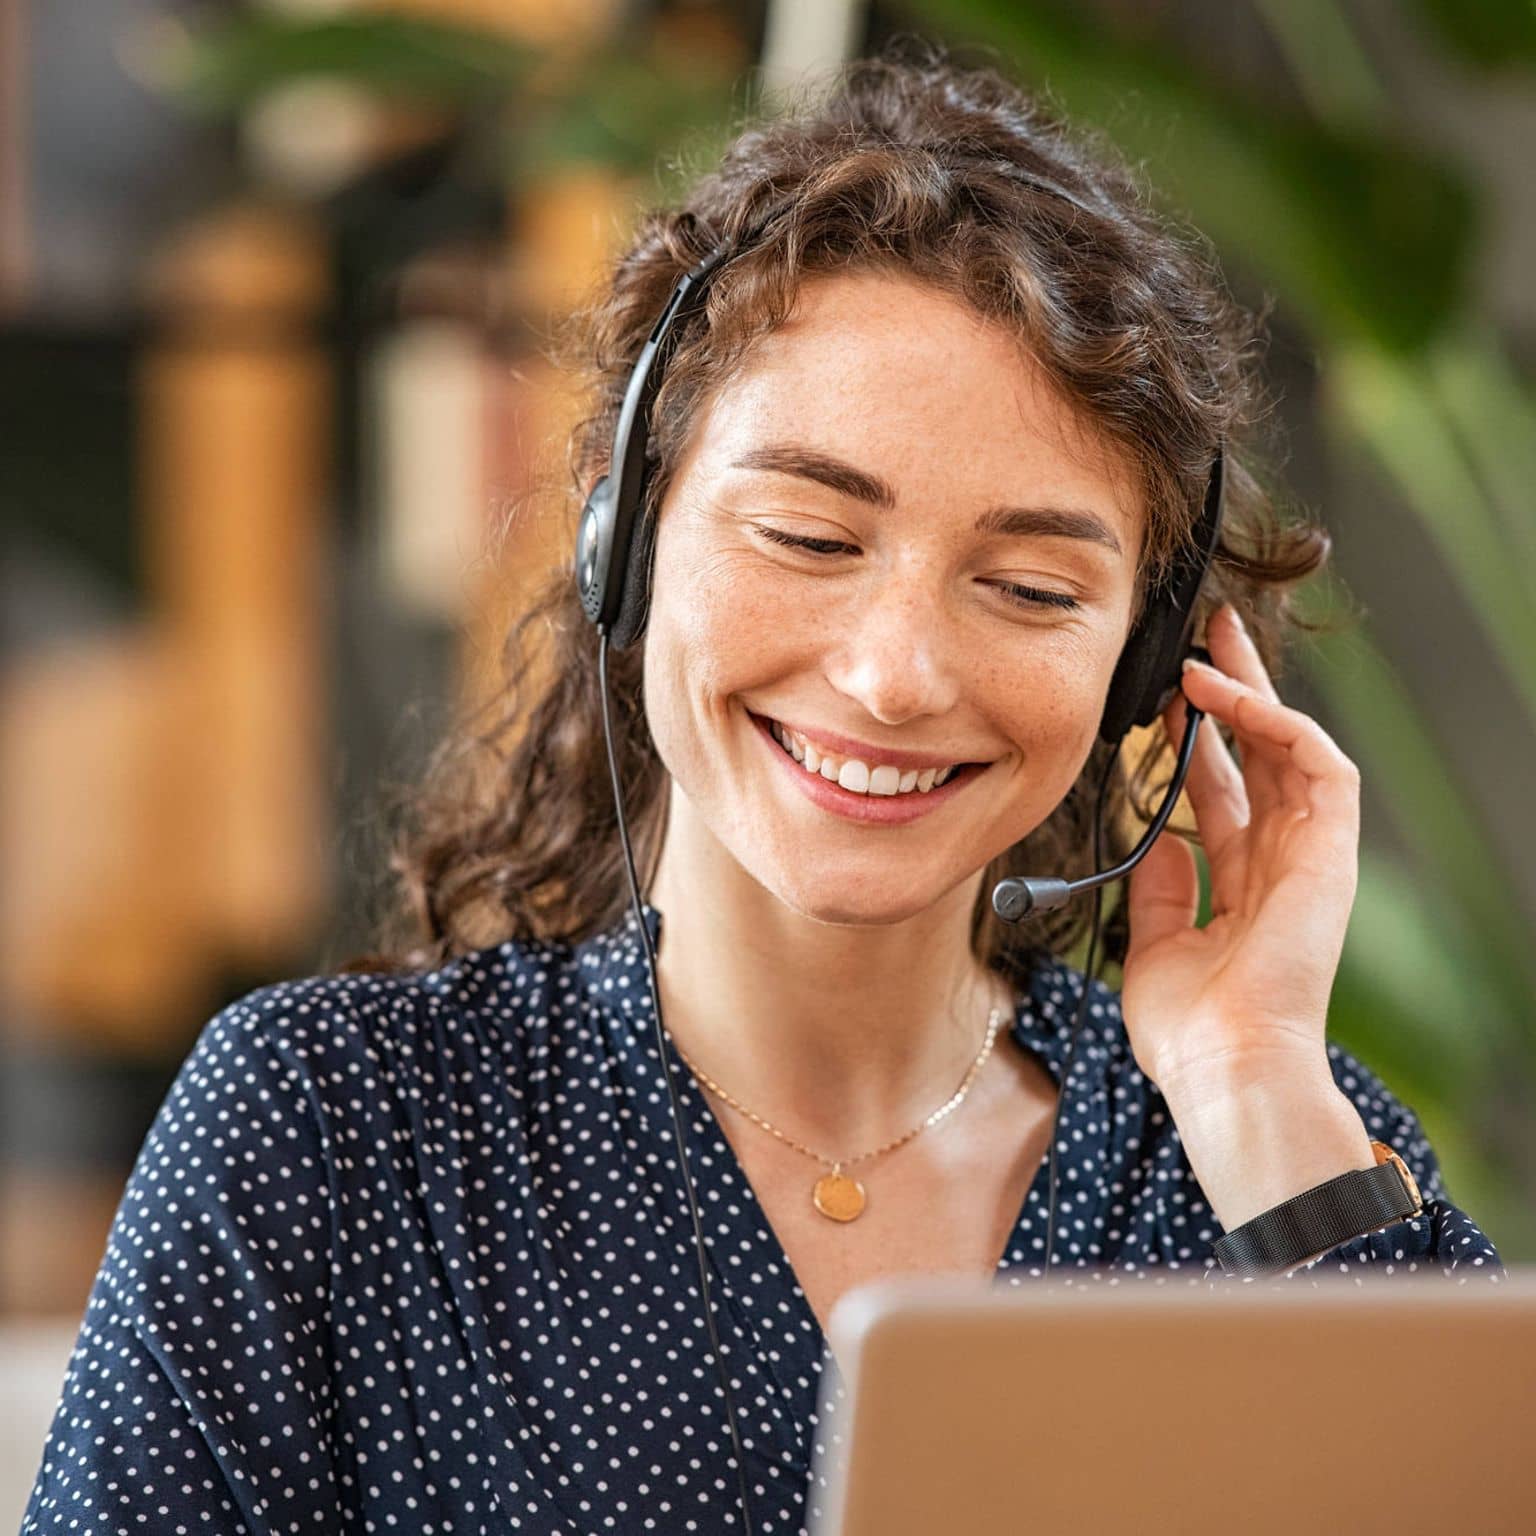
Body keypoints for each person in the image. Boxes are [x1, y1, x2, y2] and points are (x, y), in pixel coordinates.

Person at [23, 42, 1503, 1536]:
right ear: (627, 543)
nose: (895, 675)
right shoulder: (334, 1128)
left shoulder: (1256, 1152)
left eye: (1031, 588)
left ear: (1139, 663)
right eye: (809, 537)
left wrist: (1254, 1093)